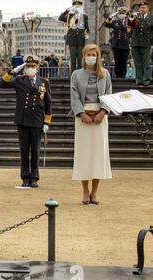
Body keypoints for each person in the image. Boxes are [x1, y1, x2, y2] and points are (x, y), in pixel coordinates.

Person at [0, 55, 52, 188]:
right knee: (24, 151)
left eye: (32, 66)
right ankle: (25, 177)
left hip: (37, 120)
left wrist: (47, 122)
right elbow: (1, 84)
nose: (30, 69)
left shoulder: (43, 82)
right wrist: (14, 71)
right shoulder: (19, 80)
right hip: (22, 120)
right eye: (27, 66)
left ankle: (34, 177)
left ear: (37, 67)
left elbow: (48, 103)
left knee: (35, 151)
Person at [70, 44, 112, 205]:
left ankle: (95, 192)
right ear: (84, 56)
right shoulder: (76, 74)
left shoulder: (105, 74)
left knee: (98, 154)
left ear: (98, 56)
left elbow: (109, 94)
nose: (91, 57)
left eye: (94, 54)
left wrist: (103, 112)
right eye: (88, 54)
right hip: (82, 118)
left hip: (100, 117)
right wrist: (81, 113)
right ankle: (85, 190)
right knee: (84, 154)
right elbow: (74, 96)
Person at [59, 0, 90, 73]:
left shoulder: (84, 16)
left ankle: (80, 75)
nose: (77, 7)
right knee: (72, 60)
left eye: (78, 6)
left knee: (80, 60)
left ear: (81, 7)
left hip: (81, 40)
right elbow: (60, 18)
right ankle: (72, 76)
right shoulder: (69, 15)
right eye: (75, 6)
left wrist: (87, 34)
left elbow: (87, 28)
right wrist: (67, 11)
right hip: (72, 40)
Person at [129, 1, 153, 87]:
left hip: (146, 42)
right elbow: (130, 25)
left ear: (148, 9)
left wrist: (152, 43)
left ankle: (146, 80)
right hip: (135, 42)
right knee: (137, 62)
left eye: (144, 7)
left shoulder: (151, 18)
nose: (142, 9)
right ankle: (139, 80)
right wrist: (131, 18)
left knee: (146, 62)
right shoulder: (135, 17)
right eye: (141, 8)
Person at [105, 6, 131, 78]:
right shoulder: (115, 22)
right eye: (120, 14)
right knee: (117, 62)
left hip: (125, 45)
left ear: (125, 14)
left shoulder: (129, 22)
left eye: (123, 13)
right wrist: (110, 17)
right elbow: (106, 24)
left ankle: (123, 77)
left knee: (124, 62)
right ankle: (117, 77)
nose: (121, 15)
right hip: (116, 45)